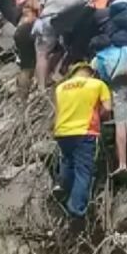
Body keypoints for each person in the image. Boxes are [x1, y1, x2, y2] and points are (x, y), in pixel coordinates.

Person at [52, 61, 112, 219]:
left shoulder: (61, 87)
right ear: (91, 72)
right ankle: (76, 208)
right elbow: (107, 109)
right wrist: (100, 118)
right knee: (83, 171)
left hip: (62, 131)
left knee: (67, 161)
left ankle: (63, 187)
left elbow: (58, 111)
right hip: (85, 131)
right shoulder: (97, 84)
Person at [90, 35, 127, 175]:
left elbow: (100, 81)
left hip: (118, 91)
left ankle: (122, 163)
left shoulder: (98, 59)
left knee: (121, 124)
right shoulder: (125, 50)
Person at [31, 0, 90, 88]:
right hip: (63, 27)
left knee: (42, 54)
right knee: (62, 50)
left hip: (45, 22)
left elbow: (38, 4)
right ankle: (49, 78)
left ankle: (41, 85)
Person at [14, 2, 38, 104]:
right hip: (30, 31)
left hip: (20, 31)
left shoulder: (27, 5)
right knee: (30, 66)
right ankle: (27, 94)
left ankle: (21, 96)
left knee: (25, 66)